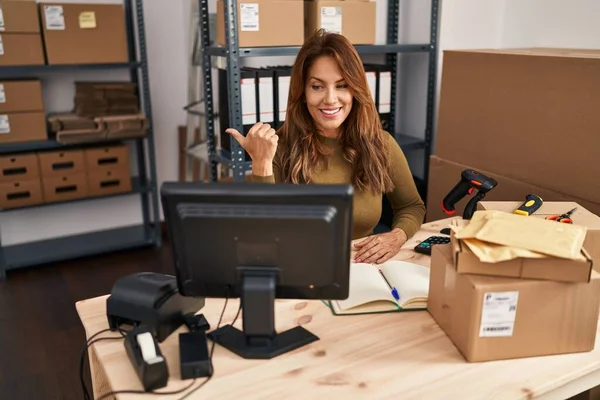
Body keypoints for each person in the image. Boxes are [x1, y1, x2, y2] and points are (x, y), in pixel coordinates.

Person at [226, 29, 426, 264]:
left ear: (355, 90)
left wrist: (397, 236)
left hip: (363, 269)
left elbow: (412, 206)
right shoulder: (279, 148)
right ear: (302, 93)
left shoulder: (381, 144)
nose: (330, 99)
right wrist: (261, 163)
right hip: (299, 267)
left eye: (341, 85)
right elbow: (264, 234)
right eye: (317, 86)